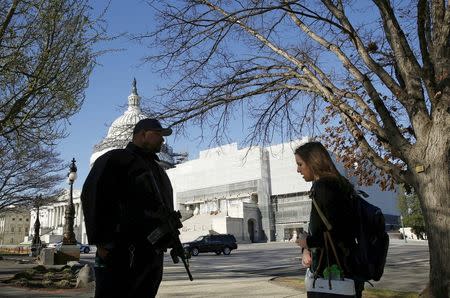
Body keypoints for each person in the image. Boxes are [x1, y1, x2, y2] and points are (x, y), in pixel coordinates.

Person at [81, 118, 174, 298]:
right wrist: (102, 241)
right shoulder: (116, 159)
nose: (162, 140)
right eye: (158, 134)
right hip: (121, 251)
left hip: (152, 254)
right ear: (142, 134)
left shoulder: (159, 170)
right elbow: (93, 195)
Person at [294, 141, 364, 298]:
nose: (298, 170)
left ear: (312, 162)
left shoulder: (324, 187)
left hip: (333, 275)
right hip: (346, 271)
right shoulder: (340, 184)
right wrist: (307, 248)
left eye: (300, 164)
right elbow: (326, 229)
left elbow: (338, 232)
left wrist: (308, 242)